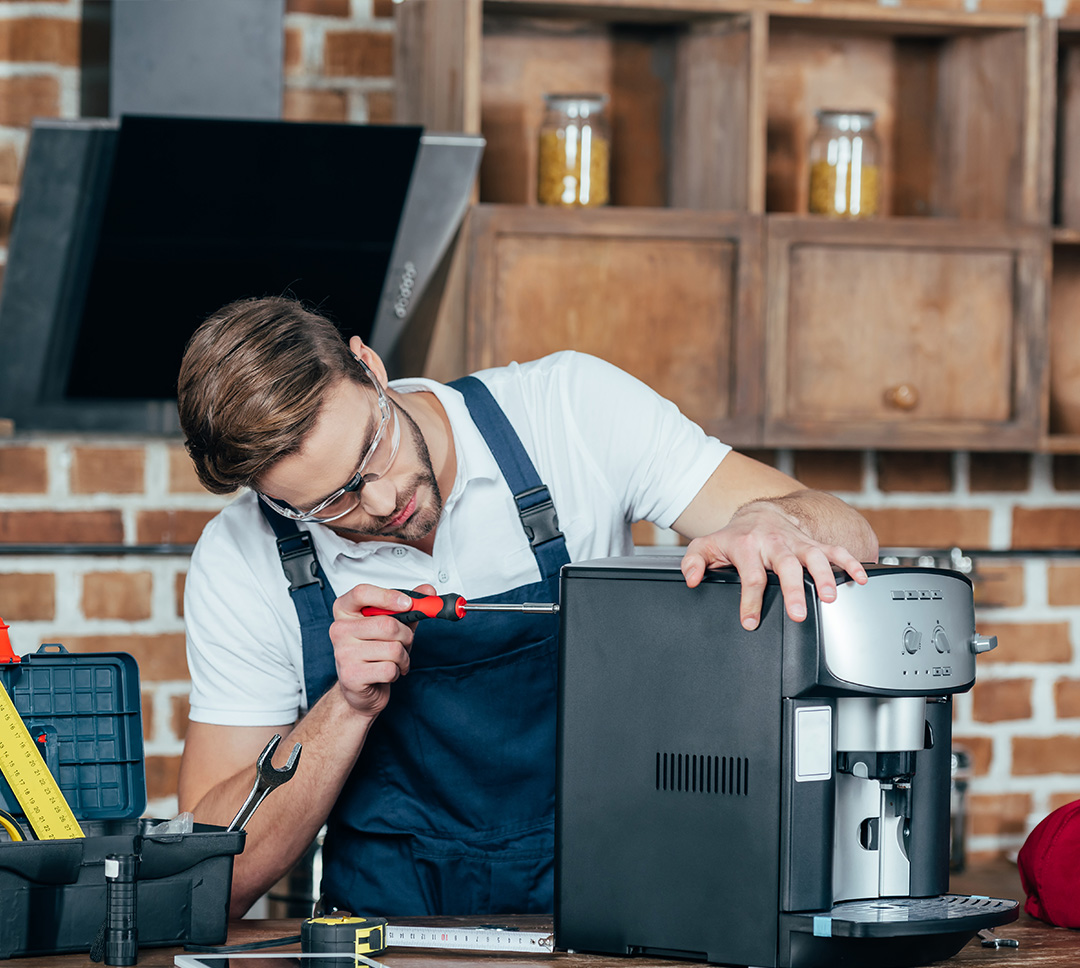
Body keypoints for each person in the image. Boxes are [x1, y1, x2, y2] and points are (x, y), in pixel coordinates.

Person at [175, 296, 878, 919]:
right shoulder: (242, 558)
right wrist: (343, 709)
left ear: (370, 367)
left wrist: (771, 521)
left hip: (610, 920)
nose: (384, 503)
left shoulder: (568, 412)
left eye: (373, 449)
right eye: (333, 503)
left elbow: (851, 535)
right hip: (389, 952)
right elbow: (213, 880)